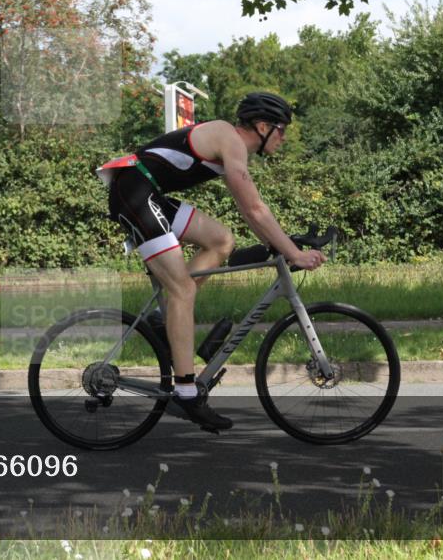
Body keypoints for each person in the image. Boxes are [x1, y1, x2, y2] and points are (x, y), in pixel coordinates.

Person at [98, 91, 326, 431]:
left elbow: (251, 211)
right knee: (182, 292)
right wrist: (292, 253)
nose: (284, 138)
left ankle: (164, 320)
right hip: (134, 193)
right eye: (281, 130)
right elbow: (254, 208)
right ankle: (187, 393)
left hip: (146, 193)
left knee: (221, 240)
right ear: (263, 126)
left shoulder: (230, 143)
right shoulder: (229, 139)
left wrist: (278, 243)